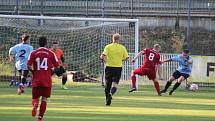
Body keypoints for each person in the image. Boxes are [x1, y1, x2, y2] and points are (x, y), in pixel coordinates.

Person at [27, 36, 59, 121]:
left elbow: (28, 65)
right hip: (47, 80)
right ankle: (40, 118)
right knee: (44, 99)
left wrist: (34, 72)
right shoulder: (51, 53)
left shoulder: (33, 53)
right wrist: (50, 73)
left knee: (35, 98)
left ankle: (35, 105)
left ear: (39, 43)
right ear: (46, 43)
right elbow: (57, 66)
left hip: (36, 80)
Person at [100, 33, 129, 106]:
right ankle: (111, 93)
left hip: (109, 67)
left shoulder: (108, 47)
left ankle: (107, 100)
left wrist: (103, 59)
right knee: (115, 84)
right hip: (118, 68)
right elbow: (127, 58)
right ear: (119, 39)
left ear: (112, 39)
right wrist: (120, 59)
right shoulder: (122, 47)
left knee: (108, 85)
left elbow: (103, 55)